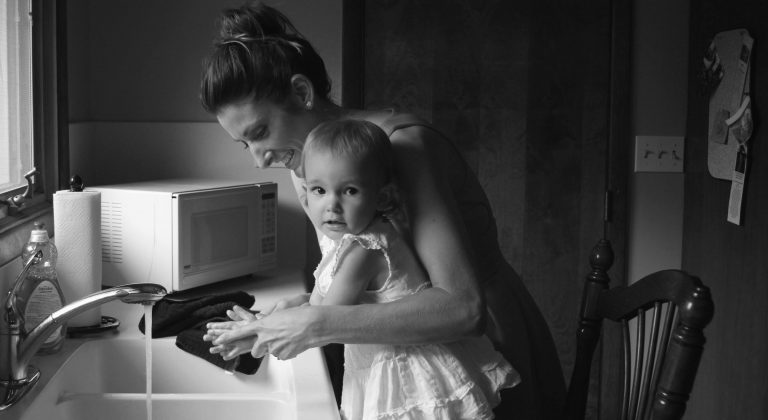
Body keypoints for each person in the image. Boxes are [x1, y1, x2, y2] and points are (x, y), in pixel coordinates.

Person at [200, 2, 566, 419]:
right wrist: (297, 309)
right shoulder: (303, 164)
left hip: (479, 359)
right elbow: (379, 278)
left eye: (260, 133)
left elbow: (463, 309)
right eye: (244, 144)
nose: (258, 159)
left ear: (302, 93)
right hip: (398, 369)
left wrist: (316, 323)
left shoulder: (402, 148)